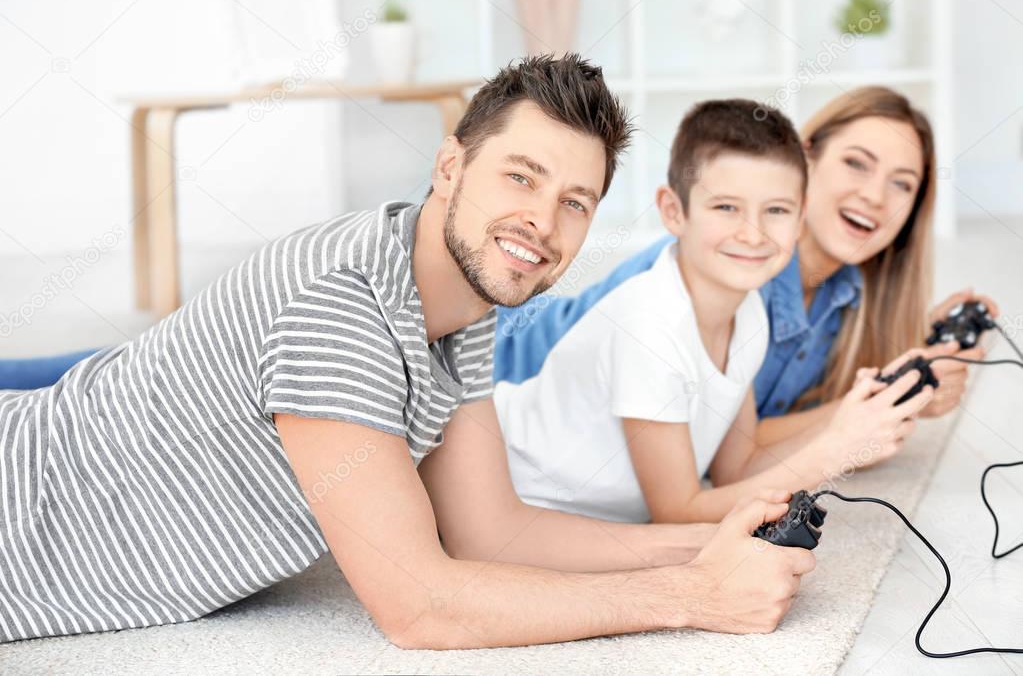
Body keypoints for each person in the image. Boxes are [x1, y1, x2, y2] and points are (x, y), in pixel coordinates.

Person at [0, 55, 815, 648]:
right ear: (449, 165)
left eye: (575, 201)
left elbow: (490, 534)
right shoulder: (341, 302)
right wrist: (694, 595)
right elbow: (421, 606)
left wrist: (710, 541)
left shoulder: (465, 304)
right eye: (520, 178)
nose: (543, 222)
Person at [494, 86, 997, 461]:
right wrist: (887, 398)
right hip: (501, 362)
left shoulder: (845, 295)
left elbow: (759, 431)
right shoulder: (730, 267)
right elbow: (718, 446)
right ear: (804, 161)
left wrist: (918, 360)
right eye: (856, 164)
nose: (875, 196)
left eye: (902, 185)